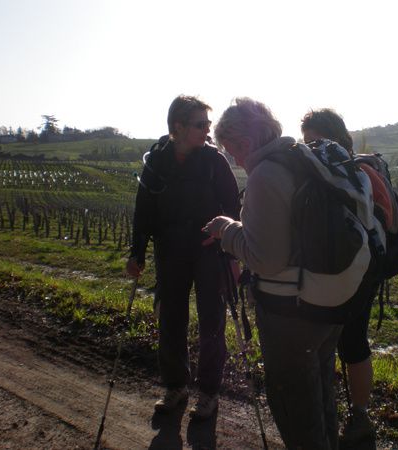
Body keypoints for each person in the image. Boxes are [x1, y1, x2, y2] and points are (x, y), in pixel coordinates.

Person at [204, 98, 374, 449]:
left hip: (290, 314)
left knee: (296, 410)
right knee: (322, 394)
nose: (233, 158)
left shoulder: (266, 174)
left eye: (231, 149)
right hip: (332, 304)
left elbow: (267, 260)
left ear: (245, 143)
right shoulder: (302, 159)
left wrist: (227, 232)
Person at [126, 95, 240, 419]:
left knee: (212, 323)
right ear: (178, 127)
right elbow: (143, 212)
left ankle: (208, 393)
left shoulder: (214, 162)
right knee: (170, 320)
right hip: (170, 252)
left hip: (209, 253)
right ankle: (176, 387)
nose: (207, 130)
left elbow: (233, 209)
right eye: (200, 124)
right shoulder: (156, 162)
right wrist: (137, 253)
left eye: (208, 124)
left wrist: (232, 253)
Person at [301, 108, 379, 446]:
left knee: (329, 340)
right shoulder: (365, 170)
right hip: (370, 264)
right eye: (308, 142)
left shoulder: (334, 170)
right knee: (354, 340)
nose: (311, 147)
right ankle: (359, 416)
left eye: (313, 140)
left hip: (345, 265)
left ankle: (338, 416)